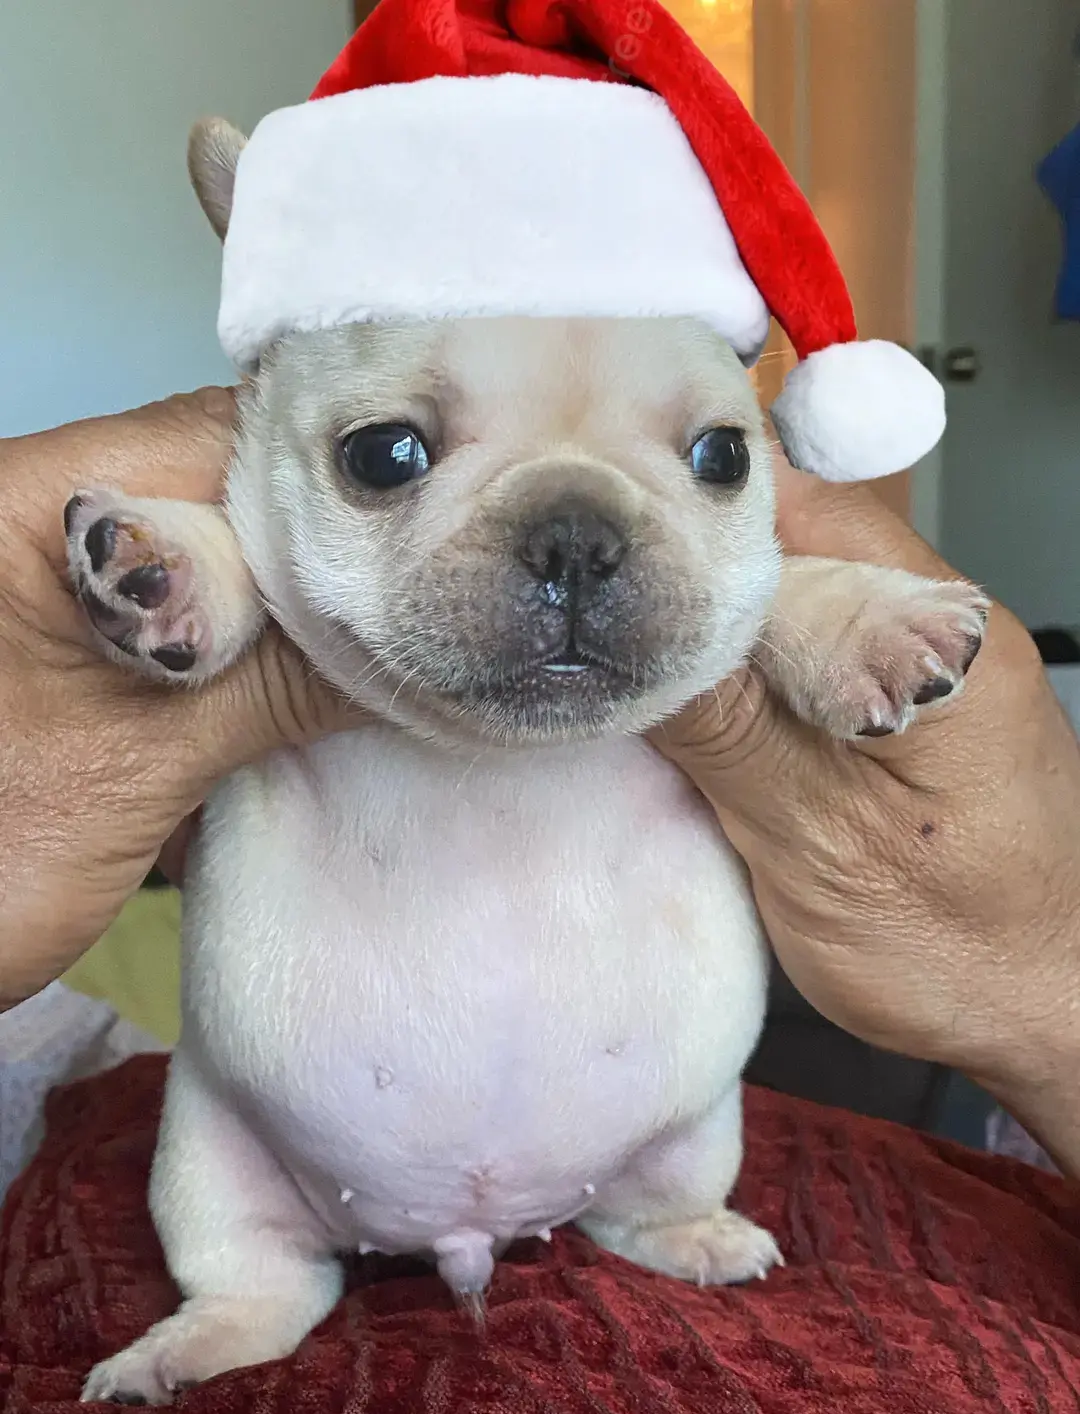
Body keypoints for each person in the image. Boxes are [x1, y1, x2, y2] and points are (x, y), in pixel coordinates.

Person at [2, 387, 1079, 1180]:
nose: (569, 551)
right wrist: (206, 571)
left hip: (643, 1137)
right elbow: (261, 545)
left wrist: (829, 616)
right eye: (392, 453)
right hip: (291, 1139)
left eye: (708, 455)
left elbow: (769, 587)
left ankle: (656, 1200)